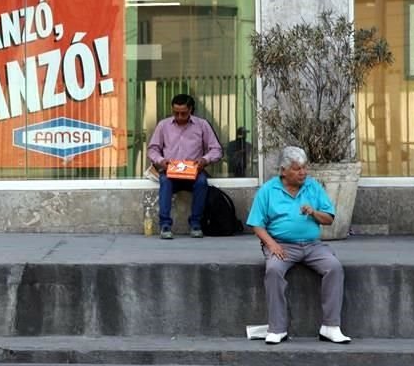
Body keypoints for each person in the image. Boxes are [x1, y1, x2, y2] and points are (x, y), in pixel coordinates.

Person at [246, 146, 351, 345]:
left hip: (313, 245)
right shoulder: (268, 190)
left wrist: (313, 212)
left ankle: (331, 326)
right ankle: (277, 329)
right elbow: (256, 224)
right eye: (296, 168)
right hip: (282, 244)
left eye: (304, 167)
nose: (302, 172)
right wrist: (272, 245)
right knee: (274, 270)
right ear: (283, 171)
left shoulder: (313, 187)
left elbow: (329, 219)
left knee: (334, 268)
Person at [147, 93, 222, 239]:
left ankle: (195, 224)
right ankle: (165, 225)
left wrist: (205, 160)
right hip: (171, 170)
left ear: (191, 110)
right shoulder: (163, 125)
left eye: (184, 113)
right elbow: (152, 149)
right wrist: (161, 161)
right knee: (165, 181)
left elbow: (216, 150)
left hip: (193, 171)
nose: (180, 117)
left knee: (202, 182)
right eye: (176, 113)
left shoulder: (202, 125)